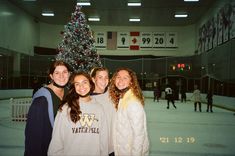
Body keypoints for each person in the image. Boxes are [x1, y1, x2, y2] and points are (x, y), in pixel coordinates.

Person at [48, 72, 108, 156]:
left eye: (84, 82)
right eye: (77, 84)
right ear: (74, 87)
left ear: (90, 84)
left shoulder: (99, 109)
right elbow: (57, 140)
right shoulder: (66, 108)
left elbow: (104, 141)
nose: (81, 87)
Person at [24, 60, 71, 156]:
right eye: (57, 73)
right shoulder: (42, 99)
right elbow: (33, 135)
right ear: (51, 76)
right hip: (46, 149)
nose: (61, 76)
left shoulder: (69, 94)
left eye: (64, 72)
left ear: (69, 74)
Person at [109, 67, 149, 156]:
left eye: (125, 78)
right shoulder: (122, 98)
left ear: (131, 82)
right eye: (118, 77)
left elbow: (139, 135)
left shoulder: (133, 103)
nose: (120, 80)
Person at [90, 67, 116, 156]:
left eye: (106, 77)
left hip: (113, 145)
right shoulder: (89, 99)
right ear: (93, 79)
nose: (104, 80)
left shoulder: (112, 94)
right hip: (97, 147)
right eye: (100, 77)